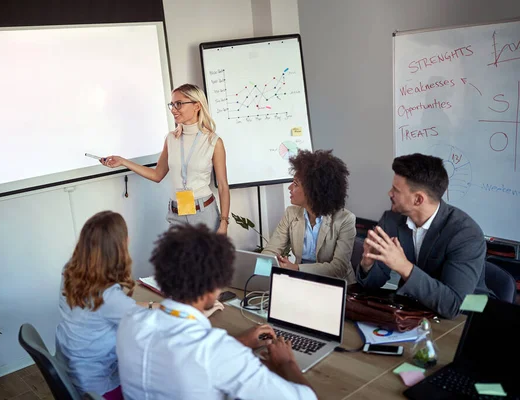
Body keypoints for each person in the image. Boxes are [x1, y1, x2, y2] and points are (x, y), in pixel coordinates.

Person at [116, 224, 317, 400]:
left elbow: (195, 360)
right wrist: (287, 362)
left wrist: (240, 343)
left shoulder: (130, 322)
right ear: (214, 289)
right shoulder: (216, 352)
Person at [358, 153, 492, 319]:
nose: (389, 193)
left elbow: (454, 305)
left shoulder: (466, 234)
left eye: (396, 190)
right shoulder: (390, 220)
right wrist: (367, 264)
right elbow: (372, 286)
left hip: (469, 318)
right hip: (415, 311)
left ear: (418, 199)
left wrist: (403, 266)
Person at [55, 211, 160, 399]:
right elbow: (152, 328)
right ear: (121, 245)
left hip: (72, 374)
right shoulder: (109, 296)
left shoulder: (70, 272)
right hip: (98, 388)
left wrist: (152, 306)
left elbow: (124, 310)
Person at [101, 83, 230, 234]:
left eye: (179, 104)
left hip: (204, 213)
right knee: (175, 258)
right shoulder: (171, 139)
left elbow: (222, 185)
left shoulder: (213, 141)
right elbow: (157, 175)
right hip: (176, 214)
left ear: (197, 106)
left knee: (206, 258)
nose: (174, 110)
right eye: (172, 105)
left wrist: (224, 222)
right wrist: (123, 161)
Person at [262, 149, 356, 283]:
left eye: (295, 184)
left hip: (336, 286)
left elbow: (338, 268)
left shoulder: (345, 220)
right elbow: (270, 251)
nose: (289, 188)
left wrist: (296, 268)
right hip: (302, 282)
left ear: (313, 190)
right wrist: (260, 272)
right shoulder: (291, 213)